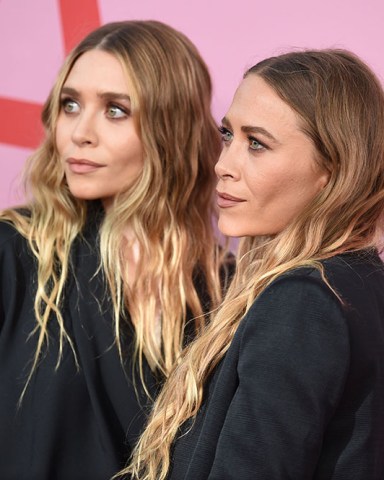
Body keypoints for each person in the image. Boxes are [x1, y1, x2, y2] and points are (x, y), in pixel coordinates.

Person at [125, 49, 384, 480]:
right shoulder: (360, 284)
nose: (223, 166)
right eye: (228, 136)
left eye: (257, 144)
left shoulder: (304, 301)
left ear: (333, 170)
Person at [0, 20, 233, 479]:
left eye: (115, 110)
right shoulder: (15, 255)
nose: (80, 133)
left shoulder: (221, 288)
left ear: (171, 127)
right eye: (70, 105)